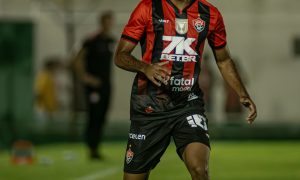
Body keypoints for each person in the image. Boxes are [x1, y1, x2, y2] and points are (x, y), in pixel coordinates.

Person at [114, 0, 257, 179]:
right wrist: (145, 68)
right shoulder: (148, 8)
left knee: (199, 169)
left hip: (188, 104)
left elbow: (223, 59)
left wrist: (242, 93)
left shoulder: (209, 13)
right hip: (150, 107)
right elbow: (120, 56)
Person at [74, 11, 115, 160]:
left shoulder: (111, 40)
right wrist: (86, 78)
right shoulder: (91, 40)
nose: (109, 24)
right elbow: (77, 59)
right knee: (94, 116)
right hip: (94, 87)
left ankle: (96, 148)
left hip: (106, 85)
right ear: (102, 22)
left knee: (102, 116)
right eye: (107, 21)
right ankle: (91, 148)